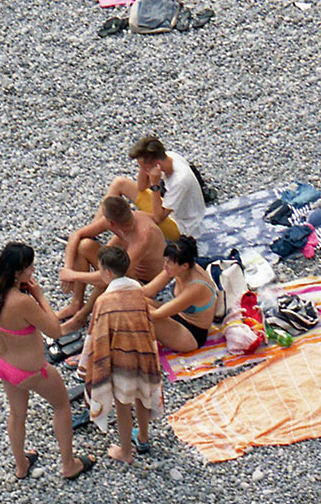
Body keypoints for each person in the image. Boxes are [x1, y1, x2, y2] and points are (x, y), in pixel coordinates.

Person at [0, 244, 90, 482]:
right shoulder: (22, 302)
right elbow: (55, 330)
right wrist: (40, 297)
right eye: (29, 267)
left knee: (17, 414)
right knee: (61, 406)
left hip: (2, 363)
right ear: (17, 272)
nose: (33, 271)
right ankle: (69, 464)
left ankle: (21, 465)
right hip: (31, 369)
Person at [80, 245, 162, 464]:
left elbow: (96, 336)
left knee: (122, 405)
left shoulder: (103, 302)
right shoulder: (138, 293)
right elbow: (148, 325)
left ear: (107, 273)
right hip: (143, 353)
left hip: (119, 359)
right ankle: (143, 438)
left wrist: (87, 364)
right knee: (142, 395)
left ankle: (125, 452)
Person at [60, 191, 168, 328]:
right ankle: (76, 303)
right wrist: (67, 269)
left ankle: (82, 316)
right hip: (124, 266)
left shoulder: (143, 237)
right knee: (84, 246)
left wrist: (74, 276)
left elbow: (113, 274)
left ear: (111, 223)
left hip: (144, 282)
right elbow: (76, 235)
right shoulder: (121, 222)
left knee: (111, 273)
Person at [106, 132, 209, 242]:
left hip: (183, 227)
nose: (143, 170)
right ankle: (97, 226)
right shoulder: (169, 156)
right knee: (120, 183)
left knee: (130, 218)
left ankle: (103, 242)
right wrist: (144, 167)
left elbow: (158, 218)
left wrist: (155, 185)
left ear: (157, 164)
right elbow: (141, 186)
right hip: (170, 211)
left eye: (144, 167)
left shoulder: (180, 180)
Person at [147, 237, 219, 356]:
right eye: (166, 261)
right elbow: (148, 291)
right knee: (133, 300)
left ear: (184, 266)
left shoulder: (197, 287)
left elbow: (156, 315)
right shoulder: (178, 269)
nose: (165, 266)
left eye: (169, 263)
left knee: (138, 313)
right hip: (179, 316)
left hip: (192, 334)